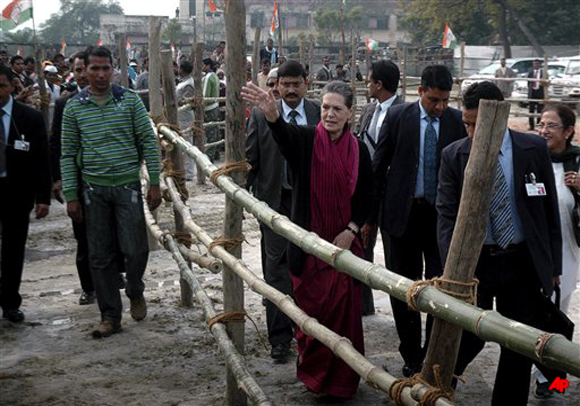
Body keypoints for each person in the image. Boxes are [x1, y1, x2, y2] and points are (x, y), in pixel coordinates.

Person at [243, 79, 372, 400]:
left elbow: (369, 195)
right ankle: (316, 378)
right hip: (310, 248)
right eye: (325, 107)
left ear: (350, 113)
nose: (329, 114)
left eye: (337, 109)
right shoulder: (305, 140)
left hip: (344, 251)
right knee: (313, 319)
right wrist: (272, 115)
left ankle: (342, 382)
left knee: (345, 321)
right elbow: (284, 138)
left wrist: (353, 229)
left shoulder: (359, 150)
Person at [437, 81, 561, 406]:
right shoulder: (454, 155)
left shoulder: (532, 150)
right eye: (466, 123)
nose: (471, 130)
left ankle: (528, 394)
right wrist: (452, 272)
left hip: (522, 262)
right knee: (463, 336)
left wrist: (554, 267)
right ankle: (436, 387)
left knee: (518, 343)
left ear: (500, 114)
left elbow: (548, 214)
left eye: (478, 123)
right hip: (475, 266)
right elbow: (446, 217)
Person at [369, 65, 467, 377]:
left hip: (441, 219)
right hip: (401, 216)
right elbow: (378, 167)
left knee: (440, 285)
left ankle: (433, 352)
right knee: (404, 287)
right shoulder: (398, 118)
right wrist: (371, 216)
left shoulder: (455, 122)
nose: (439, 107)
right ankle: (411, 354)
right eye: (434, 100)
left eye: (445, 101)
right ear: (420, 91)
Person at [60, 46, 162, 338]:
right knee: (100, 255)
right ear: (84, 70)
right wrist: (71, 194)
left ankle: (134, 288)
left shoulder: (129, 101)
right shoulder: (75, 107)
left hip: (127, 186)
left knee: (136, 248)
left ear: (114, 69)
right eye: (95, 69)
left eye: (106, 68)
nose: (101, 74)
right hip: (93, 190)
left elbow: (148, 142)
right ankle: (110, 316)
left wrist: (154, 181)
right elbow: (68, 154)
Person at [246, 60, 320, 364]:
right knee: (275, 268)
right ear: (276, 85)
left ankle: (309, 332)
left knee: (309, 265)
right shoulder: (262, 115)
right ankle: (279, 338)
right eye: (284, 84)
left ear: (306, 83)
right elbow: (251, 157)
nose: (289, 89)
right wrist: (250, 197)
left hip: (309, 201)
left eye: (295, 83)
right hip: (274, 201)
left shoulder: (318, 112)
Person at [533, 104, 580, 398]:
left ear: (568, 132)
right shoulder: (532, 157)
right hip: (536, 249)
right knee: (537, 315)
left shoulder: (577, 162)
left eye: (551, 126)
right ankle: (544, 376)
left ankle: (554, 381)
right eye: (541, 124)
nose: (544, 130)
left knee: (557, 313)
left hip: (568, 250)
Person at [0, 65, 51, 323]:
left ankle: (10, 301)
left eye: (1, 86)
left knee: (13, 249)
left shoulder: (29, 118)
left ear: (11, 86)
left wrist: (43, 197)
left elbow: (41, 160)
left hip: (17, 194)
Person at [355, 60, 401, 316]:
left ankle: (401, 309)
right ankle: (363, 304)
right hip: (368, 189)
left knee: (395, 254)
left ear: (379, 84)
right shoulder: (369, 111)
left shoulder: (405, 113)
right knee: (362, 246)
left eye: (369, 80)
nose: (367, 85)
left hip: (392, 193)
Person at [176, 60, 196, 180]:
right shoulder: (183, 82)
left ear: (182, 70)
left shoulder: (189, 84)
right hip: (180, 116)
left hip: (185, 117)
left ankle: (189, 173)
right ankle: (184, 170)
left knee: (187, 143)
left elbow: (185, 100)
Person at [202, 57, 221, 161]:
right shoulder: (215, 76)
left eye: (203, 65)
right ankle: (216, 152)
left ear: (208, 65)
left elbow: (205, 95)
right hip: (215, 106)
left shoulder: (209, 77)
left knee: (210, 132)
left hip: (209, 108)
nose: (202, 67)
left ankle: (210, 155)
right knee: (215, 131)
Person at [527, 59, 545, 131]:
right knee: (531, 110)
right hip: (532, 93)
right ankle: (531, 126)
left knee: (539, 111)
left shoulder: (543, 73)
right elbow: (528, 83)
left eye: (537, 63)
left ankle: (538, 126)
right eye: (534, 64)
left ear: (539, 64)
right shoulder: (530, 73)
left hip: (540, 93)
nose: (535, 65)